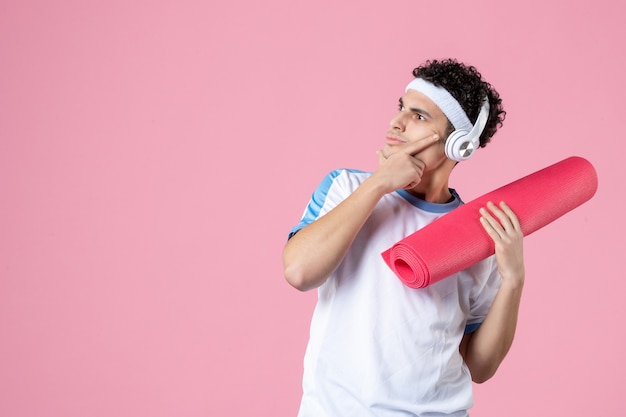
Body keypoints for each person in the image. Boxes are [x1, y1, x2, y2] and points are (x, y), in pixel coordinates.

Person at [282, 58, 525, 416]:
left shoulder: (478, 230)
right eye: (401, 108)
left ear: (458, 144)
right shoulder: (346, 187)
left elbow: (479, 366)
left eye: (419, 116)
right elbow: (299, 272)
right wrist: (379, 183)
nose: (397, 122)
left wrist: (513, 279)